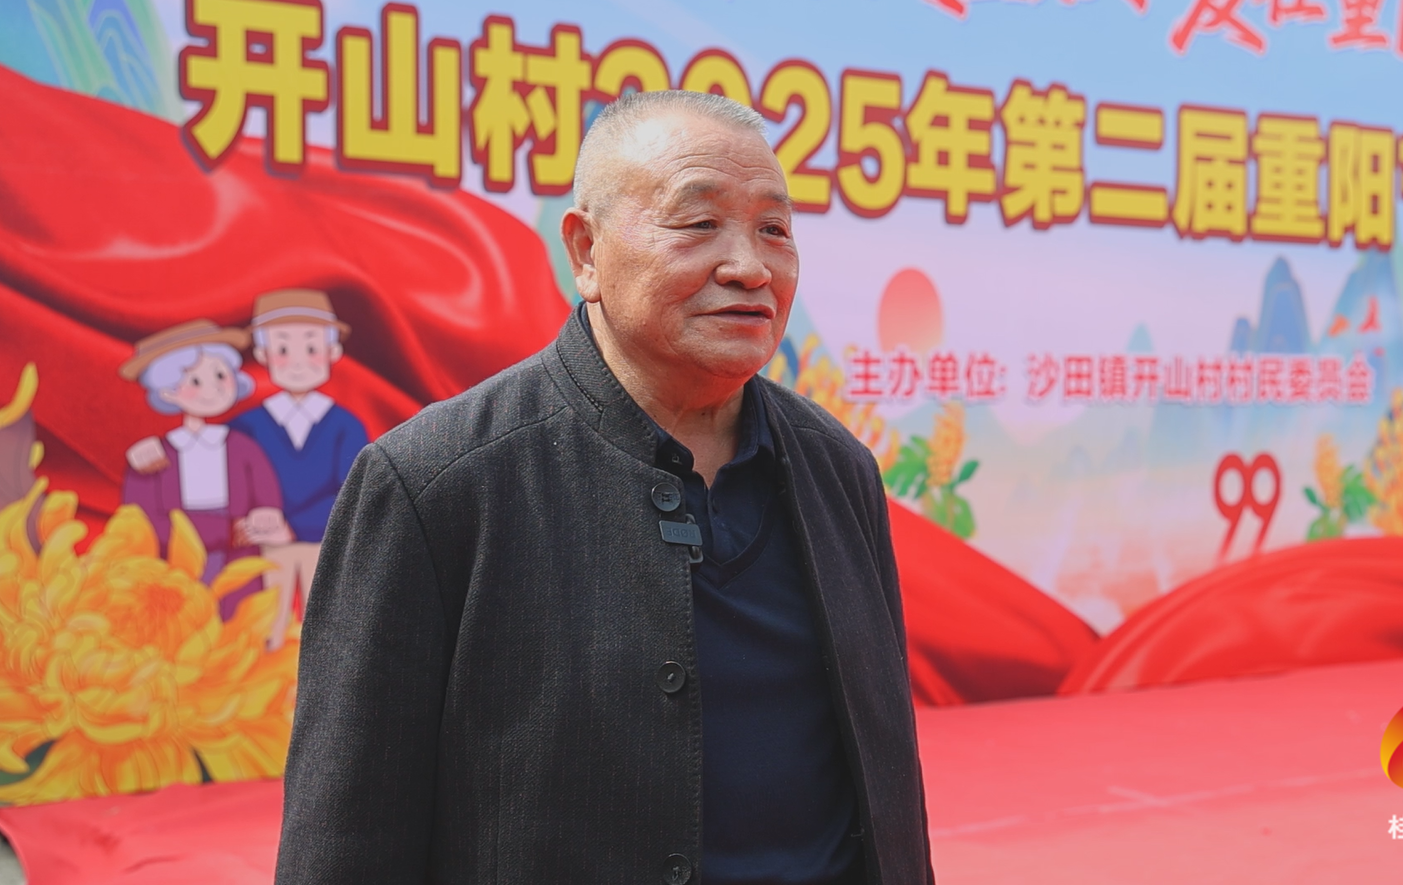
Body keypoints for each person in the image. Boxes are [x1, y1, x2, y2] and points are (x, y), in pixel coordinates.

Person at [275, 91, 931, 884]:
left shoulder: (837, 471)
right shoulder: (435, 484)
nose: (750, 266)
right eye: (698, 223)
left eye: (774, 229)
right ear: (585, 251)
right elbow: (346, 838)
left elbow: (886, 793)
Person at [127, 291, 369, 651]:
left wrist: (289, 525)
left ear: (333, 353)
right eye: (283, 349)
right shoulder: (246, 427)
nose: (297, 362)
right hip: (257, 547)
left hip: (321, 542)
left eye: (311, 348)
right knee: (265, 624)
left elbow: (353, 491)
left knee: (327, 622)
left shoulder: (345, 426)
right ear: (262, 355)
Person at [118, 320, 291, 619]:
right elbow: (140, 521)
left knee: (239, 619)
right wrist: (222, 531)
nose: (212, 389)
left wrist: (266, 516)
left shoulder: (242, 447)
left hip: (238, 558)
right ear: (168, 392)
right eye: (195, 381)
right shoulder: (154, 458)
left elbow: (266, 494)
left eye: (220, 375)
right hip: (175, 565)